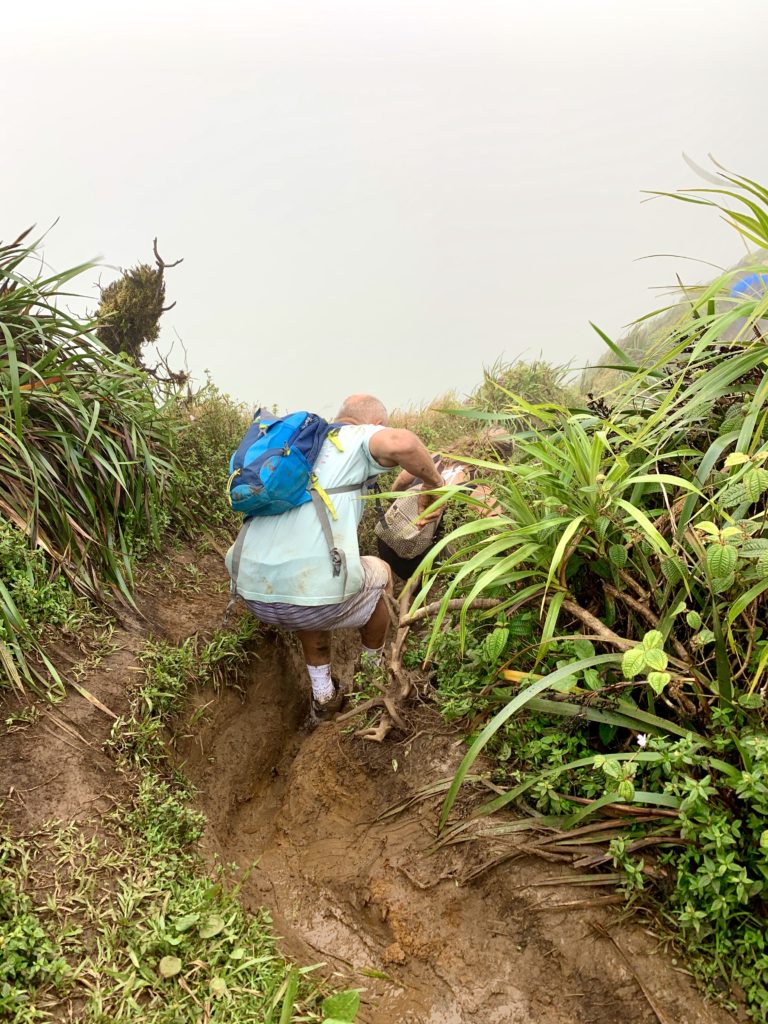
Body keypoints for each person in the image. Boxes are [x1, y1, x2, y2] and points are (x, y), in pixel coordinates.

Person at [224, 393, 443, 719]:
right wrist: (434, 485)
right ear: (376, 423)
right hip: (309, 597)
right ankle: (373, 675)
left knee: (311, 581)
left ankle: (323, 697)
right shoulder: (358, 436)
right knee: (379, 571)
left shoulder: (297, 449)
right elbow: (403, 444)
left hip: (251, 590)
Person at [376, 432, 507, 581]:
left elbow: (400, 482)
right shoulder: (480, 489)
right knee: (451, 575)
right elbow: (499, 531)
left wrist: (398, 507)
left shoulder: (434, 459)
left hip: (387, 539)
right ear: (500, 461)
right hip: (418, 559)